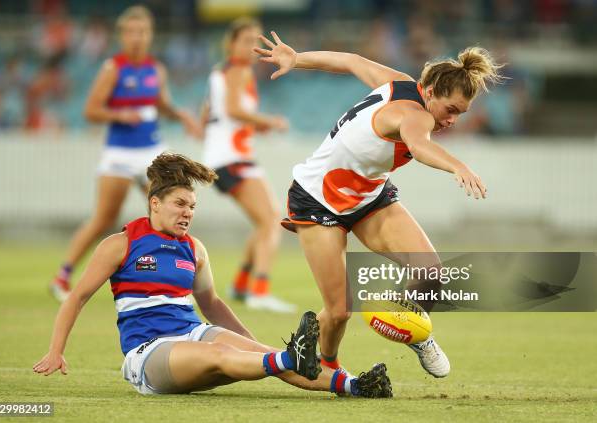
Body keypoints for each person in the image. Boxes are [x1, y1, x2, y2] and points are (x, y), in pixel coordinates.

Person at [33, 152, 392, 398]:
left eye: (192, 206)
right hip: (149, 353)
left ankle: (355, 386)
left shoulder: (194, 249)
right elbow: (77, 297)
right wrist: (55, 351)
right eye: (180, 204)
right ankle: (287, 358)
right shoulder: (121, 244)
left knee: (257, 354)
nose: (188, 213)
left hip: (194, 332)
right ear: (154, 203)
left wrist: (254, 345)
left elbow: (213, 304)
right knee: (225, 352)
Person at [255, 32, 503, 377]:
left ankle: (418, 333)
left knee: (429, 271)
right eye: (450, 110)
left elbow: (351, 62)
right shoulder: (416, 115)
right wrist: (457, 165)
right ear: (430, 92)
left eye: (460, 113)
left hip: (368, 196)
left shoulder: (400, 82)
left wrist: (298, 59)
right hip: (317, 201)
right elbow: (418, 146)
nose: (452, 121)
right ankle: (329, 365)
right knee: (339, 312)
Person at [49, 5, 201, 302]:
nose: (137, 38)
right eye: (131, 32)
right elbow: (90, 110)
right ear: (122, 36)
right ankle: (63, 275)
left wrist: (181, 115)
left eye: (142, 32)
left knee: (172, 209)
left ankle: (176, 277)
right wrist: (121, 115)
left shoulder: (155, 68)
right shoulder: (113, 68)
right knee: (104, 218)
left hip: (152, 153)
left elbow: (161, 104)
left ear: (150, 35)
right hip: (119, 153)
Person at [200, 18, 295, 313]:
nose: (251, 47)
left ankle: (241, 285)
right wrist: (271, 122)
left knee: (263, 221)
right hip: (233, 158)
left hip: (224, 156)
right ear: (230, 43)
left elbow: (210, 115)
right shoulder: (239, 71)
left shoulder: (220, 72)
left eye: (255, 40)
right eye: (245, 40)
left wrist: (254, 127)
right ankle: (260, 289)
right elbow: (233, 110)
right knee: (271, 220)